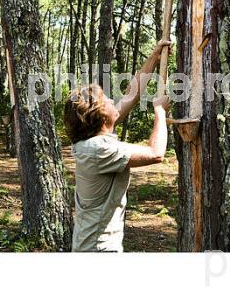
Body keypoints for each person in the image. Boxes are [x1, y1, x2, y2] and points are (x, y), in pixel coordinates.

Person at [64, 40, 171, 252]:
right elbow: (156, 153)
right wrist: (159, 111)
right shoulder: (99, 149)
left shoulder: (92, 139)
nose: (113, 100)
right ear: (100, 117)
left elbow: (132, 94)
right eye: (106, 101)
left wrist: (155, 57)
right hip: (98, 251)